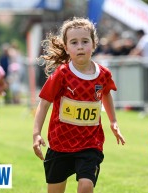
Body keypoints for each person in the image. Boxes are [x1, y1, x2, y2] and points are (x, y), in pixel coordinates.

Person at [32, 17, 125, 193]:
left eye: (85, 41)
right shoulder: (62, 74)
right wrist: (36, 133)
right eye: (74, 42)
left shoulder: (103, 74)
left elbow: (105, 93)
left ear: (94, 44)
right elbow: (44, 104)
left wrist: (113, 121)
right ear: (66, 48)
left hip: (90, 143)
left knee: (86, 185)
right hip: (60, 143)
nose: (80, 46)